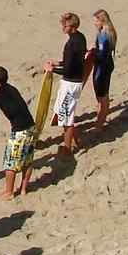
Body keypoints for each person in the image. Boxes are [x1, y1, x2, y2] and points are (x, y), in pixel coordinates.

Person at [0, 66, 36, 199]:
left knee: (10, 163)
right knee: (27, 160)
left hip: (19, 131)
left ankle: (9, 192)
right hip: (31, 127)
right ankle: (23, 190)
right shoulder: (13, 89)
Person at [43, 11, 88, 158]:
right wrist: (57, 63)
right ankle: (75, 141)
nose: (62, 27)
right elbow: (73, 61)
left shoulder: (72, 43)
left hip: (70, 83)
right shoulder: (80, 37)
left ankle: (67, 149)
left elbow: (68, 68)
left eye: (64, 24)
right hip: (75, 81)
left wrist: (52, 69)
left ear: (71, 26)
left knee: (66, 116)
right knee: (63, 113)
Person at [90, 9, 119, 130]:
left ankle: (99, 125)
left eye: (96, 21)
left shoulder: (104, 35)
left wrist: (92, 53)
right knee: (103, 94)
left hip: (102, 67)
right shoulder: (110, 32)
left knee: (101, 96)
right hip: (107, 65)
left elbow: (101, 55)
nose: (94, 23)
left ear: (102, 21)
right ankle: (101, 118)